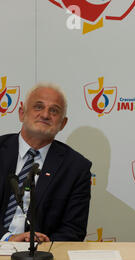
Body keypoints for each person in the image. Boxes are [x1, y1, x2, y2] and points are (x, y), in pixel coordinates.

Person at [0, 83, 92, 242]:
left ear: (63, 123)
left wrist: (37, 247)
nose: (45, 115)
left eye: (54, 110)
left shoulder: (76, 168)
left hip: (41, 259)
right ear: (22, 113)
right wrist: (8, 239)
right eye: (38, 107)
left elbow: (73, 230)